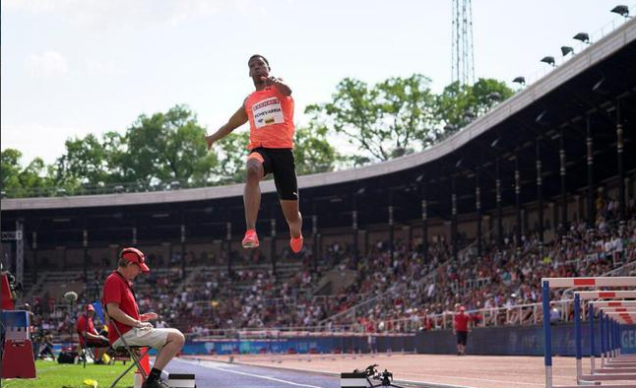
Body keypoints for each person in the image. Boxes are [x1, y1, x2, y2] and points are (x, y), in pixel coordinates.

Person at [205, 54, 303, 253]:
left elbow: (288, 90)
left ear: (268, 68)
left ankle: (296, 234)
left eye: (261, 64)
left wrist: (275, 81)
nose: (257, 67)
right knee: (251, 169)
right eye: (253, 66)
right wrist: (212, 138)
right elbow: (231, 124)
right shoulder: (250, 101)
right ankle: (251, 231)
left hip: (283, 153)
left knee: (292, 217)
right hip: (260, 149)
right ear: (249, 73)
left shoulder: (279, 88)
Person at [102, 247, 185, 388]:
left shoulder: (121, 281)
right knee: (177, 337)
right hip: (123, 335)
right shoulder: (114, 280)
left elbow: (119, 313)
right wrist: (137, 323)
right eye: (138, 268)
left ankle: (152, 380)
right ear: (129, 264)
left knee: (176, 336)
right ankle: (152, 381)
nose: (140, 271)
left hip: (128, 332)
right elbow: (113, 312)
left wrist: (140, 318)